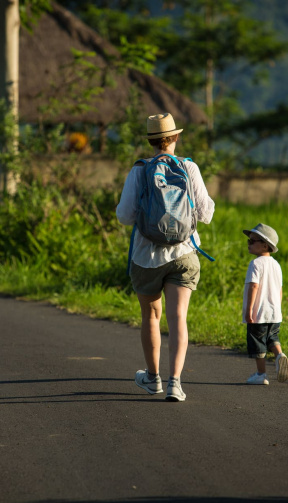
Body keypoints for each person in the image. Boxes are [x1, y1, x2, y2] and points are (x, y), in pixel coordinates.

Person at [116, 113, 215, 402]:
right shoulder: (189, 167)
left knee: (151, 316)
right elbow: (206, 214)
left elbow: (124, 216)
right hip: (184, 254)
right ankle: (175, 383)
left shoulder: (139, 169)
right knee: (178, 318)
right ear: (175, 138)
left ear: (151, 141)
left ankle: (152, 378)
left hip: (146, 257)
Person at [242, 223, 288, 385]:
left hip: (259, 313)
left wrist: (249, 311)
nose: (248, 244)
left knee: (258, 344)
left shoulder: (255, 264)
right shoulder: (276, 265)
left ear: (264, 245)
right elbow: (280, 289)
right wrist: (278, 308)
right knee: (272, 337)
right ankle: (280, 356)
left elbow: (254, 286)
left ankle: (261, 374)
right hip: (274, 312)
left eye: (252, 241)